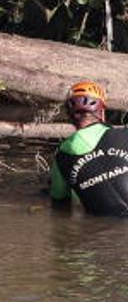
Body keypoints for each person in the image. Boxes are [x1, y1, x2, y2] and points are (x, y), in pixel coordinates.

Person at [50, 80, 128, 216]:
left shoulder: (61, 157)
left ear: (69, 115)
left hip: (106, 232)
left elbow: (59, 201)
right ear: (102, 112)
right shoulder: (124, 134)